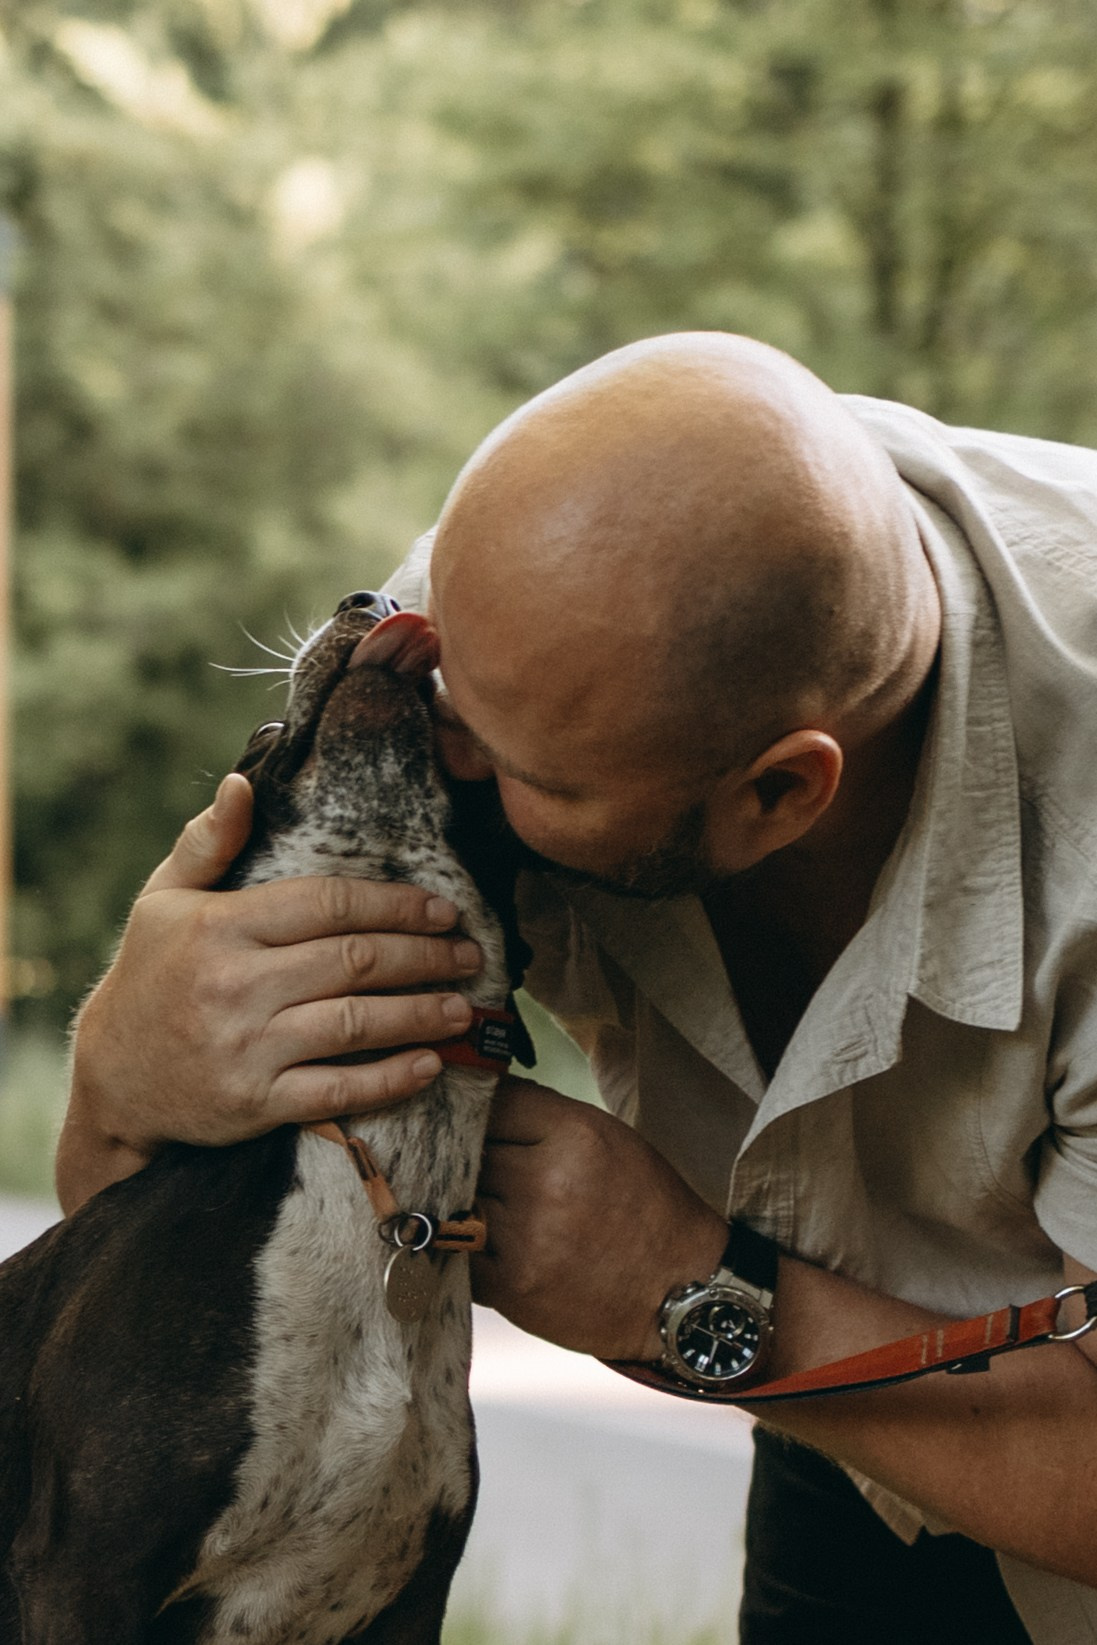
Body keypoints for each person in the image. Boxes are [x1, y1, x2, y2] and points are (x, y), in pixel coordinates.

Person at [61, 333, 1097, 1644]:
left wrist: (672, 1283)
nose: (439, 742)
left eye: (509, 764)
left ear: (777, 789)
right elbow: (131, 1253)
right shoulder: (496, 640)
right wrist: (128, 1054)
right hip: (839, 1416)